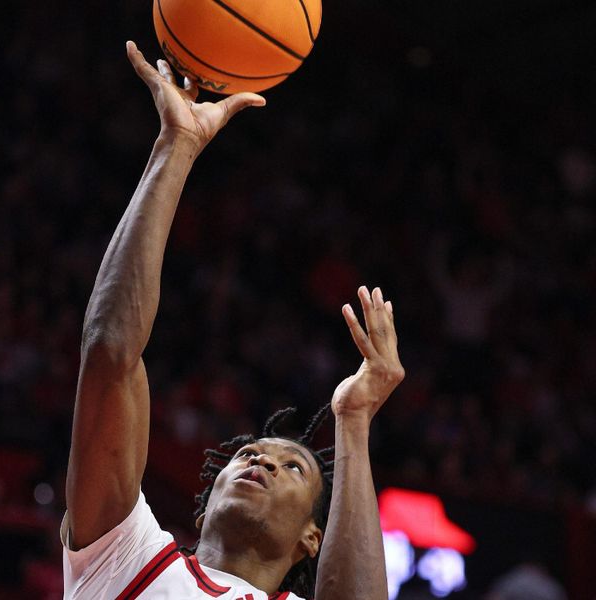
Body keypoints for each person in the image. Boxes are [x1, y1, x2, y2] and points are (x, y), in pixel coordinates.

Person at [62, 41, 405, 599]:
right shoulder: (131, 558)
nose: (261, 461)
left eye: (293, 467)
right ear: (204, 504)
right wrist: (176, 146)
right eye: (249, 454)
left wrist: (356, 420)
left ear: (312, 539)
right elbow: (110, 355)